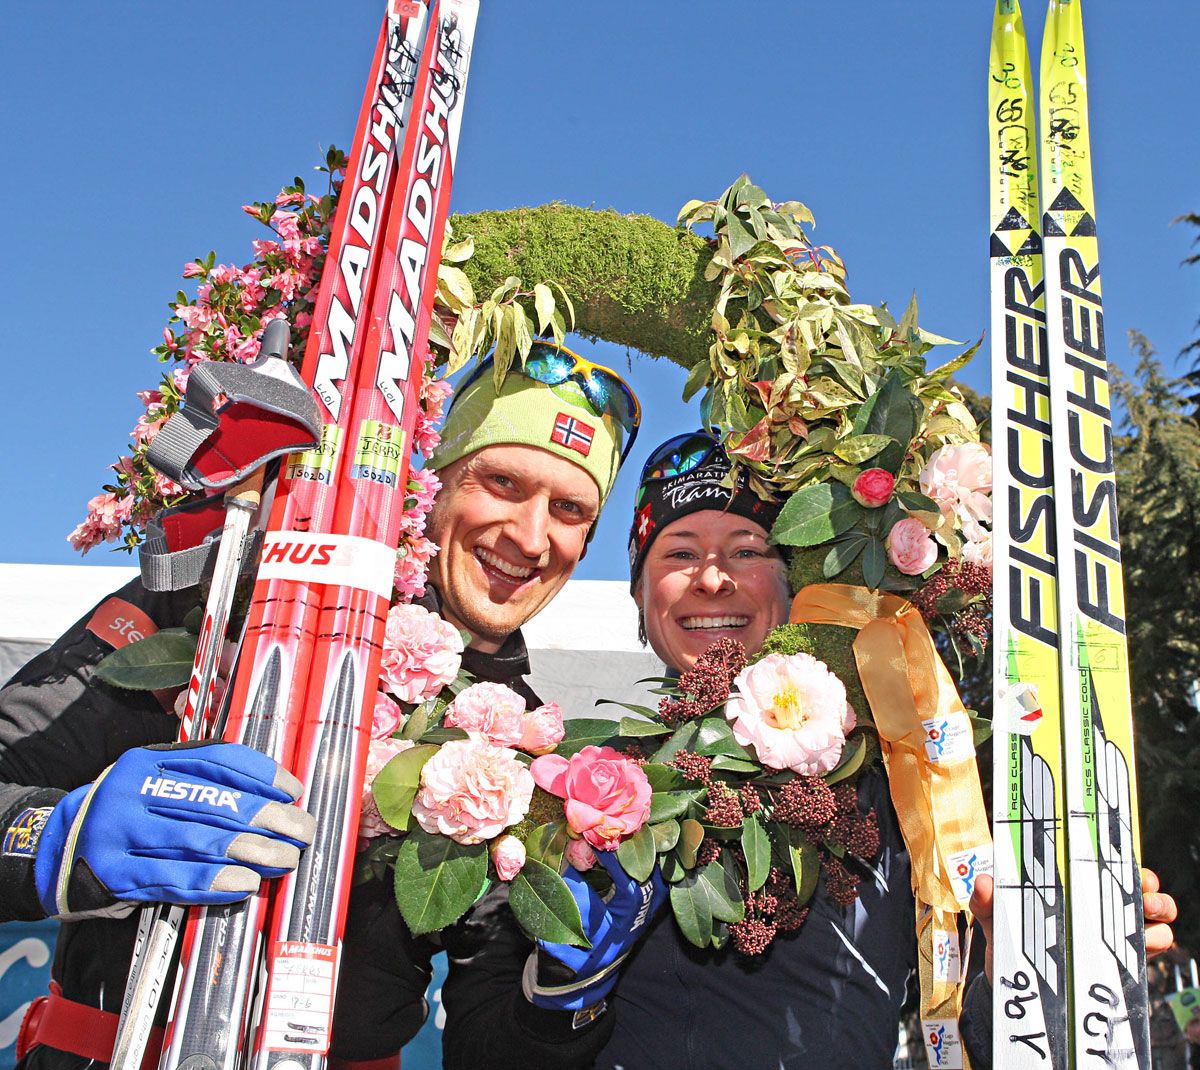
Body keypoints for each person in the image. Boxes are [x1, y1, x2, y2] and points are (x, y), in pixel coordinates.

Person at [0, 340, 640, 1070]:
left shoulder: (527, 749)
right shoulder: (224, 594)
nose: (530, 537)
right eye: (499, 482)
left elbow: (486, 1044)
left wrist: (563, 995)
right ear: (432, 483)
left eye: (568, 509)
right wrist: (56, 840)